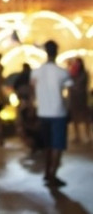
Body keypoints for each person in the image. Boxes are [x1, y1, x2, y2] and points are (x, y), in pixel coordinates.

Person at [31, 40, 72, 187]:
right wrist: (68, 108)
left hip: (43, 112)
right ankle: (53, 175)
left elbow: (32, 88)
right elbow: (69, 93)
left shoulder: (36, 72)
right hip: (58, 112)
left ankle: (47, 172)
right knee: (57, 145)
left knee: (47, 144)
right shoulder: (62, 72)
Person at [12, 63, 40, 153]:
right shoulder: (30, 78)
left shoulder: (20, 78)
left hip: (24, 101)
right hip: (28, 101)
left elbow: (15, 86)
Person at [67, 58, 91, 143]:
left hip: (82, 97)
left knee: (85, 116)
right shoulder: (72, 73)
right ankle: (77, 135)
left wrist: (72, 87)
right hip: (74, 98)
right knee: (75, 116)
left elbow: (80, 84)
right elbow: (69, 84)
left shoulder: (84, 73)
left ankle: (87, 134)